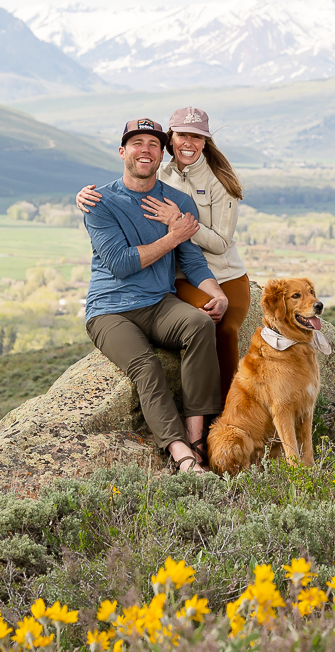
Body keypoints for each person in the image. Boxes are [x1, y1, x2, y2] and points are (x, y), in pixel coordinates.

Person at [82, 117, 230, 473]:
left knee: (199, 324)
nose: (145, 150)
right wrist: (172, 236)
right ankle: (181, 456)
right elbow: (120, 263)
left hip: (158, 304)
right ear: (123, 152)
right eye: (137, 143)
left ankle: (197, 440)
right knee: (146, 366)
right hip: (110, 311)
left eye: (153, 144)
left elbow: (191, 260)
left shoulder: (178, 202)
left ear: (161, 154)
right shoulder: (99, 202)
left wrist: (217, 294)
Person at [78, 106, 250, 404]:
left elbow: (221, 243)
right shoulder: (160, 172)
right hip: (177, 274)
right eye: (182, 135)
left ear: (206, 142)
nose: (188, 143)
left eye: (197, 137)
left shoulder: (220, 181)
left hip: (220, 272)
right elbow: (129, 187)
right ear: (170, 140)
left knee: (224, 329)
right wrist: (84, 197)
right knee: (199, 325)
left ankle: (231, 413)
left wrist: (181, 226)